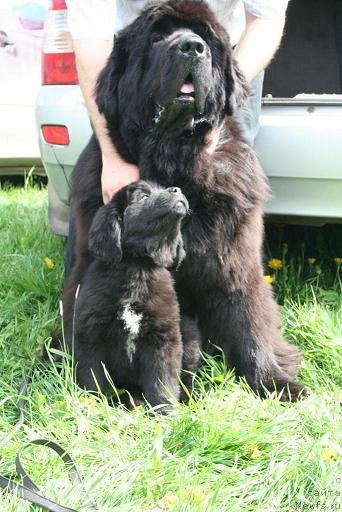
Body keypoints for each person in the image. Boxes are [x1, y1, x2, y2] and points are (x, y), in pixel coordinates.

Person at [64, 0, 289, 274]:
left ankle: (218, 296)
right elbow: (90, 40)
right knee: (109, 190)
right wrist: (112, 157)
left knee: (227, 231)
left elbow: (266, 19)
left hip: (224, 51)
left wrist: (221, 94)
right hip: (139, 49)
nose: (187, 46)